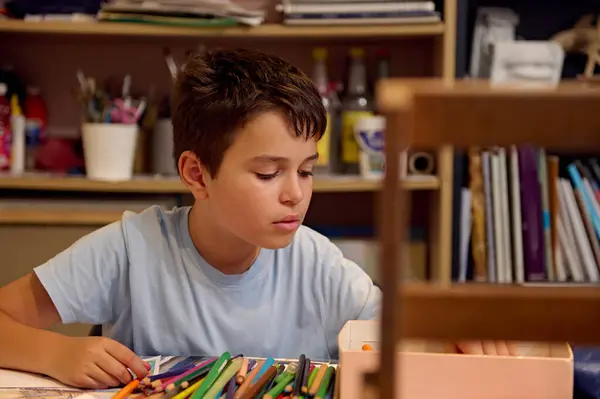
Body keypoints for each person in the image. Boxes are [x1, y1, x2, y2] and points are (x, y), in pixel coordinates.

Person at [0, 48, 513, 390]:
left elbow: (401, 342)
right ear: (197, 175)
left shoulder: (318, 264)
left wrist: (450, 336)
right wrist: (56, 355)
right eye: (269, 173)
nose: (295, 195)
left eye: (307, 172)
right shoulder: (131, 248)